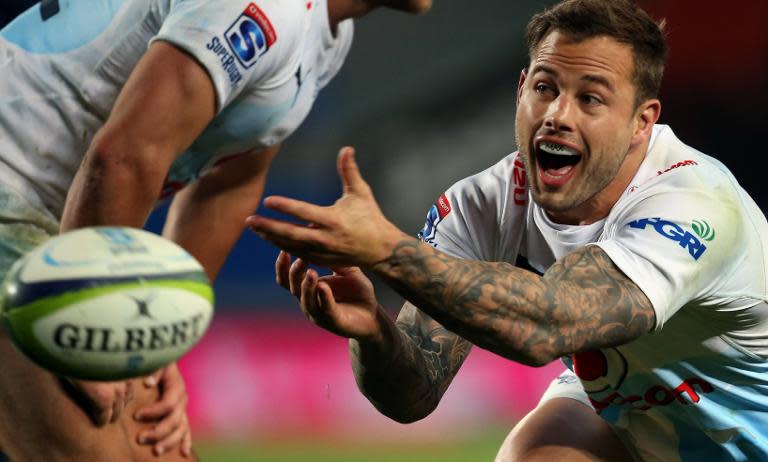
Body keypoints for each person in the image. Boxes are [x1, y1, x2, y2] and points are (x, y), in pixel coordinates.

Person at [246, 0, 768, 460]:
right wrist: (375, 334)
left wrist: (388, 251)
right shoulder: (483, 204)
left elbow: (550, 324)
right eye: (545, 87)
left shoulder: (694, 204)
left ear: (641, 122)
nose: (558, 116)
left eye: (591, 99)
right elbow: (413, 394)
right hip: (628, 399)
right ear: (520, 92)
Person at [0, 0, 432, 460]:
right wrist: (84, 321)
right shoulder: (269, 9)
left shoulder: (322, 32)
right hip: (12, 185)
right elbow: (125, 156)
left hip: (39, 210)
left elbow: (229, 184)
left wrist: (156, 343)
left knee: (155, 446)